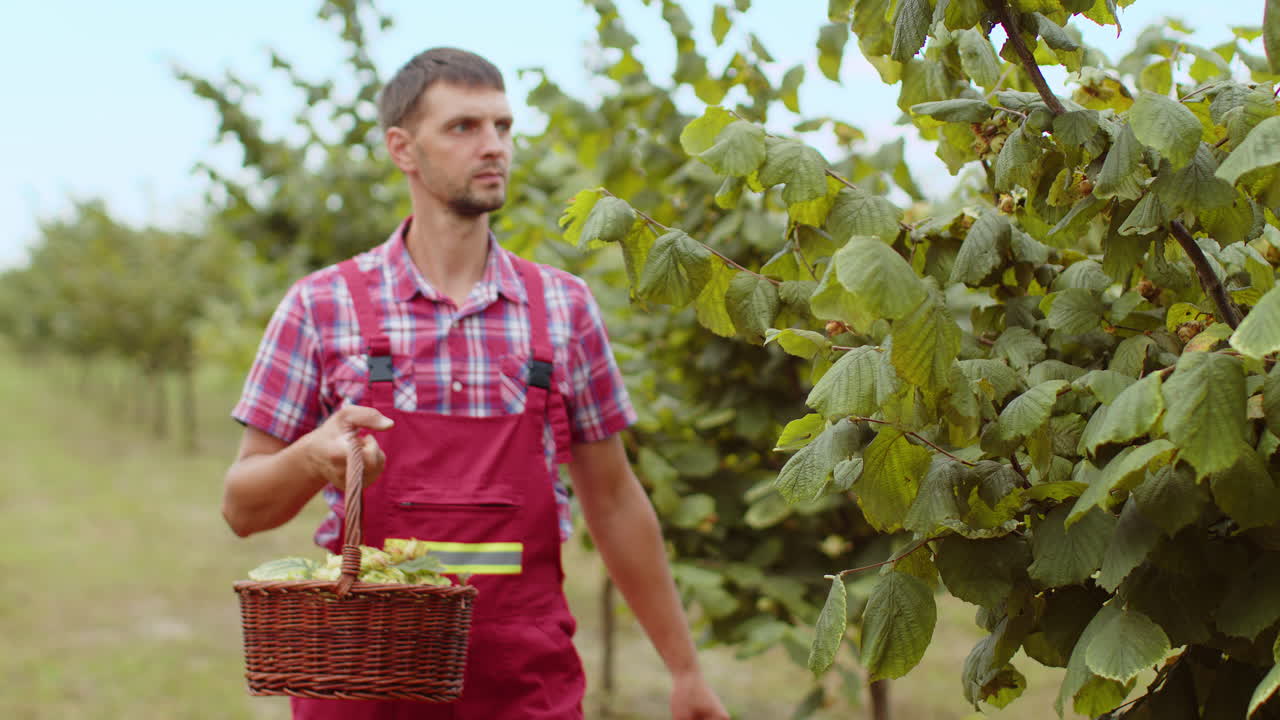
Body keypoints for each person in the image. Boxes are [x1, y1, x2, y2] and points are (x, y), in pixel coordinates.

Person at [221, 47, 730, 720]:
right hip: (364, 687)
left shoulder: (562, 309)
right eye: (464, 127)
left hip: (522, 684)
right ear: (403, 148)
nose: (493, 147)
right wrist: (312, 456)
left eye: (503, 127)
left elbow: (611, 500)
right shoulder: (323, 305)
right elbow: (241, 507)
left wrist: (685, 670)